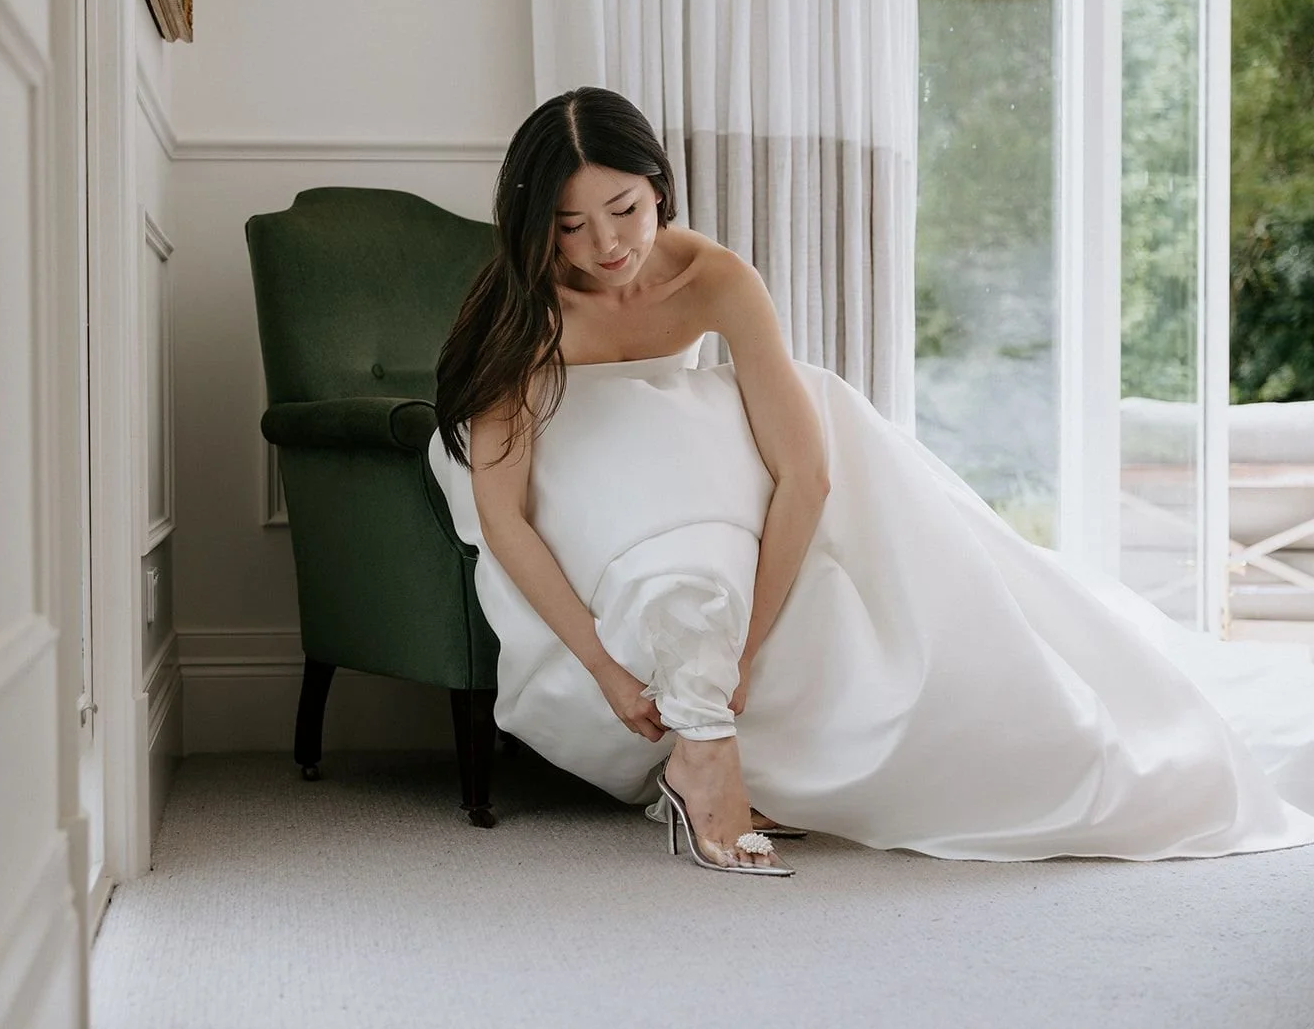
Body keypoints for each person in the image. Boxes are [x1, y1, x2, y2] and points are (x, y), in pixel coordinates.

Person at [428, 87, 1314, 875]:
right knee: (684, 561)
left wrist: (741, 654)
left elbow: (804, 474)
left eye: (622, 208)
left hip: (693, 462)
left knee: (859, 509)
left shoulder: (713, 277)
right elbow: (503, 515)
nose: (605, 245)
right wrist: (607, 670)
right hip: (574, 473)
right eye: (570, 224)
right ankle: (708, 757)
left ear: (659, 184)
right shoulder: (528, 306)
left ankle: (777, 730)